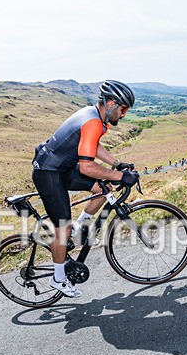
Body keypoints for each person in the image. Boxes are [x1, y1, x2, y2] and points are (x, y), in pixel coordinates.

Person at [31, 79, 138, 297]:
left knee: (103, 189)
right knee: (63, 229)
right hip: (48, 173)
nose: (124, 114)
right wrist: (121, 176)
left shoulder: (96, 116)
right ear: (111, 104)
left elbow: (92, 145)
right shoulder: (93, 122)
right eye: (124, 109)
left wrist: (117, 164)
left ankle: (80, 226)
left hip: (63, 168)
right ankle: (58, 279)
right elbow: (87, 167)